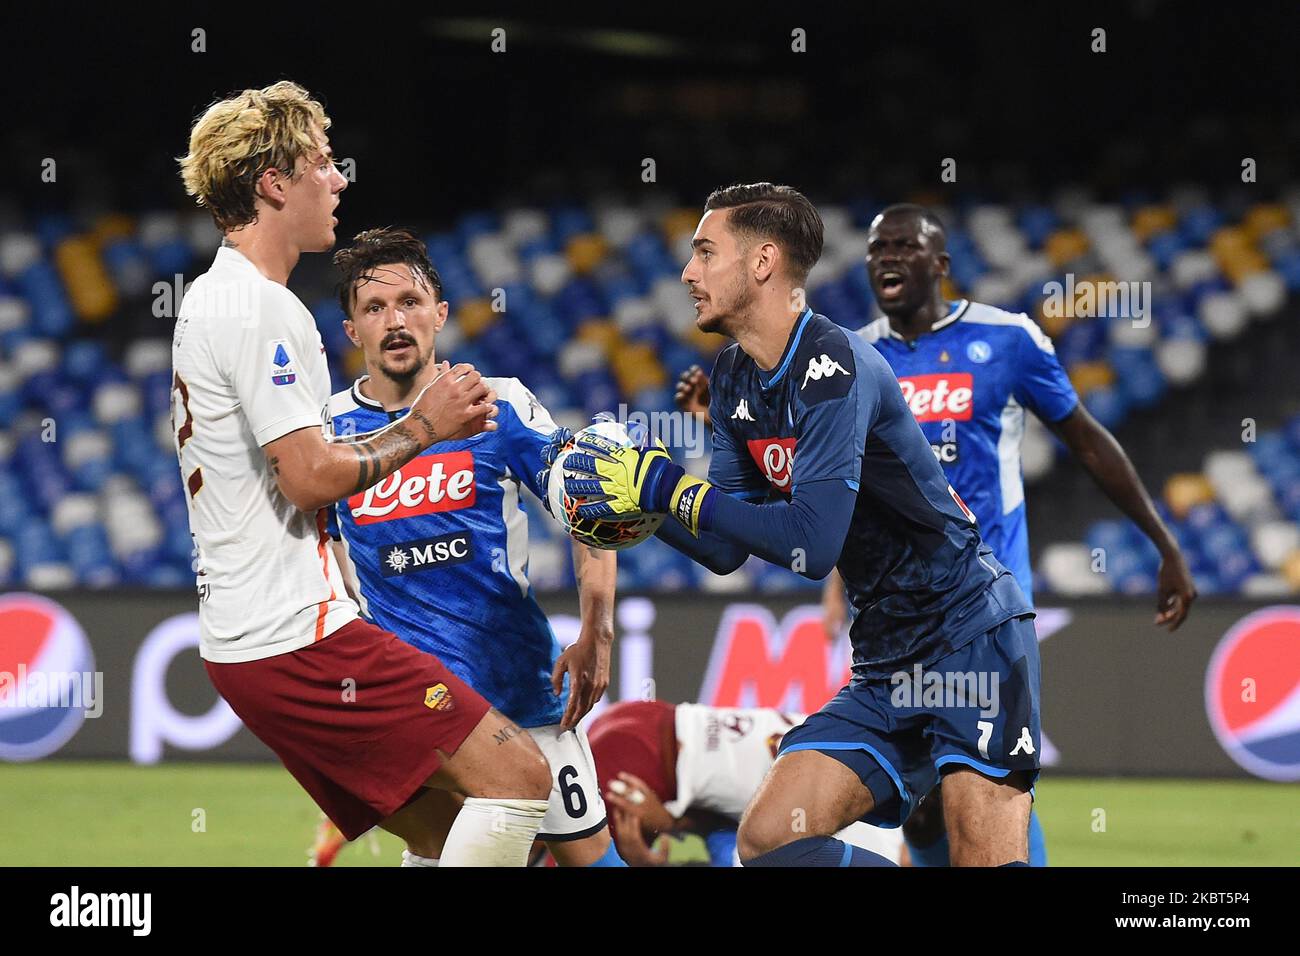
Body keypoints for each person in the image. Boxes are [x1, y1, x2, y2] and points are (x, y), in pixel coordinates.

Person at [674, 202, 1198, 865]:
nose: (887, 257)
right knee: (879, 829)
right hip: (882, 632)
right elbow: (811, 502)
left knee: (977, 829)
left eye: (904, 246)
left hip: (974, 609)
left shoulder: (997, 342)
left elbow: (1087, 443)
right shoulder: (839, 351)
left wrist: (1164, 543)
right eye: (875, 248)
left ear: (941, 265)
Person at [545, 182, 1039, 866]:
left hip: (969, 638)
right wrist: (638, 506)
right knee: (769, 838)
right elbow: (722, 546)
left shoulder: (833, 367)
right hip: (885, 662)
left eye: (705, 253)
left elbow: (811, 544)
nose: (687, 273)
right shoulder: (735, 378)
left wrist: (663, 482)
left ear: (763, 262)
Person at [174, 81, 552, 866]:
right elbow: (308, 479)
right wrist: (425, 426)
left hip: (245, 640)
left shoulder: (214, 299)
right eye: (320, 162)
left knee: (450, 836)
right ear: (275, 182)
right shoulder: (258, 308)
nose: (338, 178)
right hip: (293, 632)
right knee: (518, 776)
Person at [316, 227, 624, 867]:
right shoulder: (326, 436)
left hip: (522, 695)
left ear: (440, 314)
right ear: (351, 330)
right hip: (423, 717)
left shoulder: (499, 403)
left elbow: (590, 500)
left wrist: (598, 629)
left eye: (409, 302)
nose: (395, 321)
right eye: (374, 309)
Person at [588, 699, 902, 866]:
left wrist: (672, 824)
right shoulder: (879, 843)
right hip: (647, 767)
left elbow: (727, 824)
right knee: (572, 842)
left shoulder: (885, 783)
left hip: (654, 721)